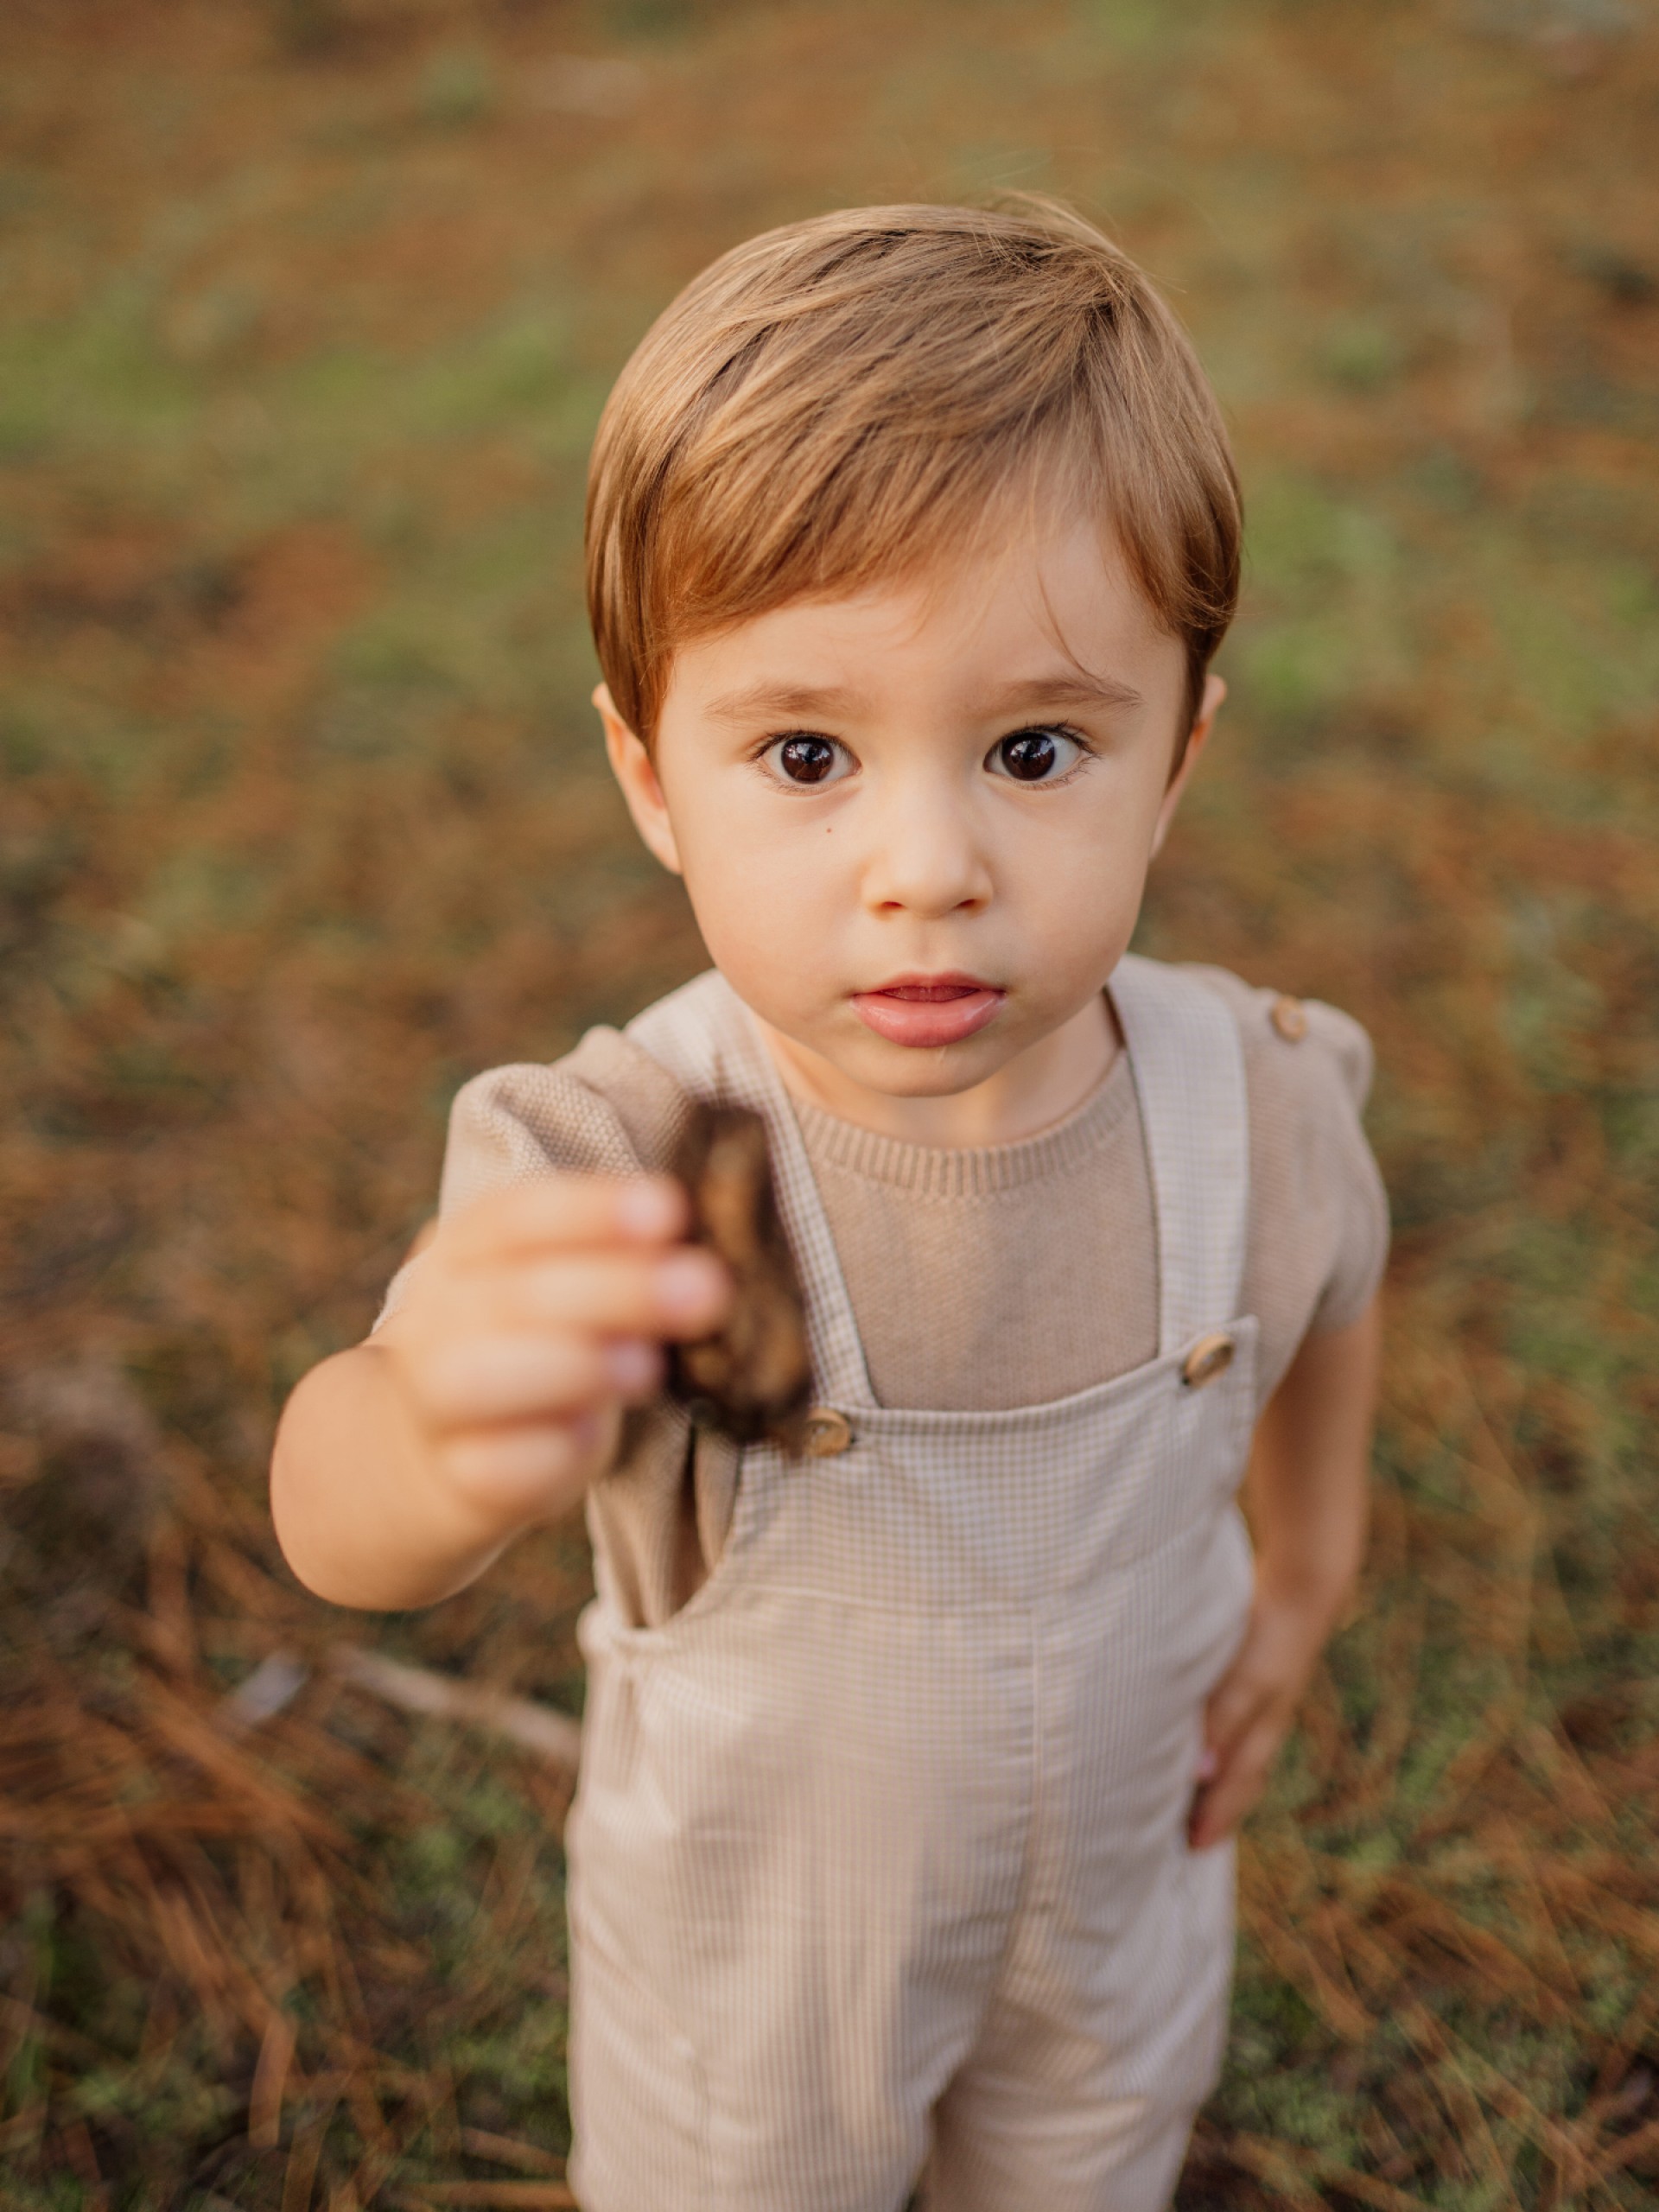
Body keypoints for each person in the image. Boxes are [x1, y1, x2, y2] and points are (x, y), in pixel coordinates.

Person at [270, 200, 1388, 2212]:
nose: (927, 862)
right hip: (757, 1997)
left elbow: (1339, 1299)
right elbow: (338, 1515)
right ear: (650, 777)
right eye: (807, 750)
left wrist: (1306, 1566)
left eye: (1036, 746)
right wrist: (435, 1429)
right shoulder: (625, 1158)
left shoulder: (1264, 1098)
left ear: (1179, 759)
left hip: (1119, 1930)